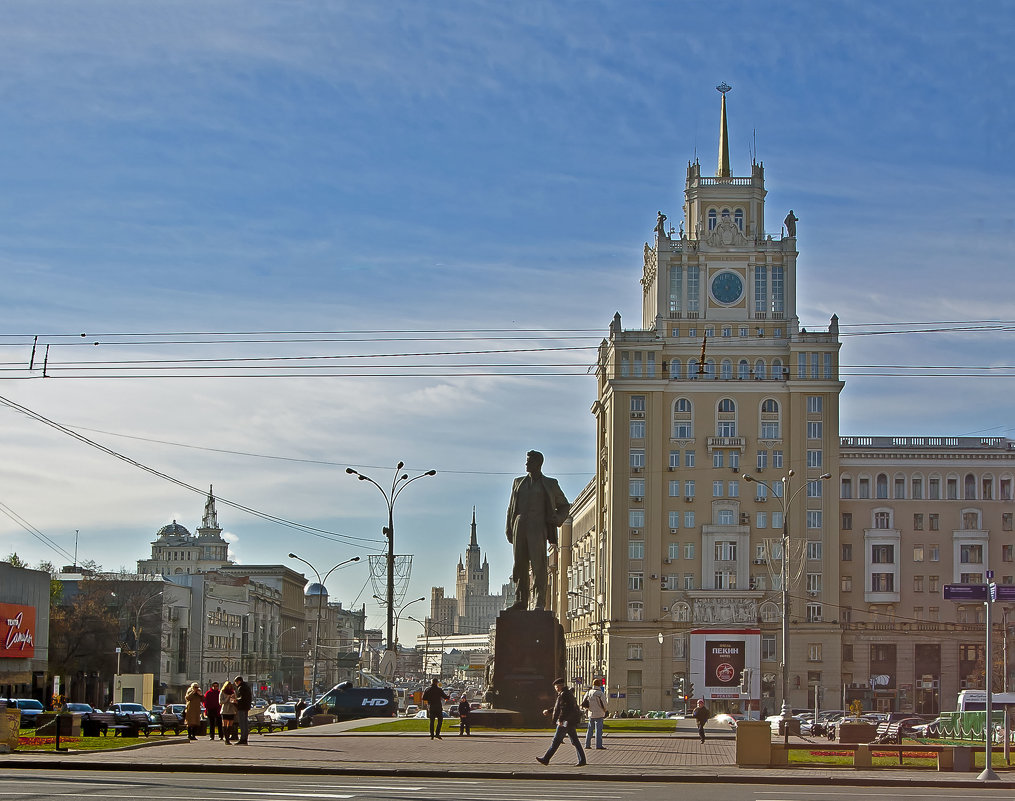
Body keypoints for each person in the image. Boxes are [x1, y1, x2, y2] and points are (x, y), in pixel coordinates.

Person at [505, 450, 571, 610]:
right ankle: (520, 600)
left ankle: (539, 602)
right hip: (519, 526)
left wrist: (557, 518)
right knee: (519, 564)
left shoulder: (550, 483)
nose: (526, 464)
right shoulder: (518, 482)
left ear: (537, 464)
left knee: (538, 564)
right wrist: (509, 527)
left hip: (538, 526)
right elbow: (511, 507)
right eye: (526, 461)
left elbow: (564, 505)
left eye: (529, 461)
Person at [536, 678, 586, 767]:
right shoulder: (566, 693)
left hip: (565, 722)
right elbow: (558, 708)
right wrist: (549, 711)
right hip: (570, 722)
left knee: (556, 741)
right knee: (575, 741)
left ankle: (546, 759)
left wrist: (561, 720)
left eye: (556, 687)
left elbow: (564, 709)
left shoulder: (564, 694)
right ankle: (582, 760)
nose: (555, 688)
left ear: (559, 686)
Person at [582, 678, 608, 750]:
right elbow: (604, 703)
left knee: (590, 730)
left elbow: (584, 702)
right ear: (599, 685)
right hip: (599, 713)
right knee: (598, 730)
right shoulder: (600, 693)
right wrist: (605, 710)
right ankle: (598, 745)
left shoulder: (589, 692)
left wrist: (587, 709)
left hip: (591, 713)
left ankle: (587, 744)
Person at [233, 675, 252, 745]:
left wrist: (235, 700)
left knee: (242, 723)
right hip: (246, 707)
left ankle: (243, 738)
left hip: (242, 707)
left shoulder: (241, 688)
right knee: (245, 723)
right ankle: (245, 738)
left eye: (235, 682)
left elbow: (241, 698)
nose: (235, 684)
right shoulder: (247, 687)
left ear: (238, 681)